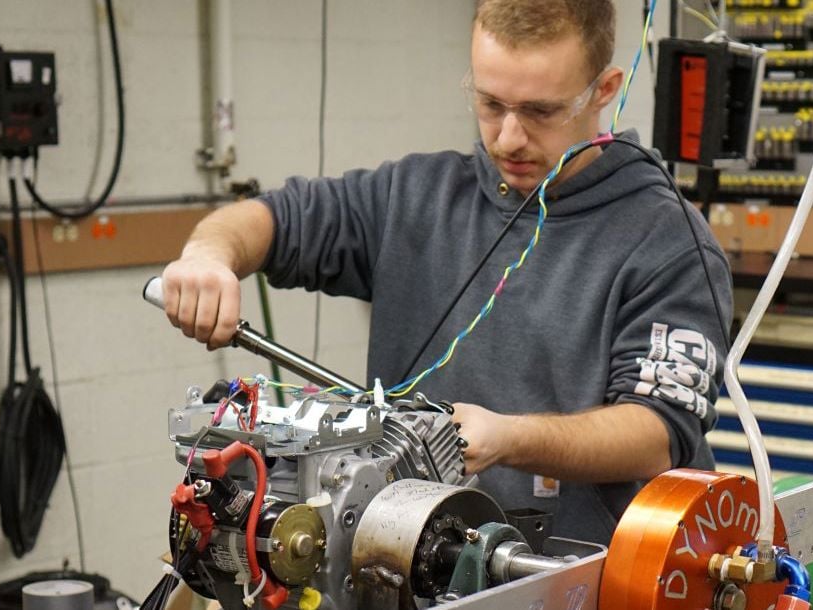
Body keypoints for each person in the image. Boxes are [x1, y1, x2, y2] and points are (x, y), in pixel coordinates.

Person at [159, 0, 732, 545]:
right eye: (490, 104)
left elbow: (658, 431)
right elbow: (275, 219)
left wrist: (510, 438)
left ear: (604, 90)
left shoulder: (667, 240)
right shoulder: (416, 195)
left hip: (586, 578)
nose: (508, 137)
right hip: (400, 568)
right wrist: (210, 256)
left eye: (540, 111)